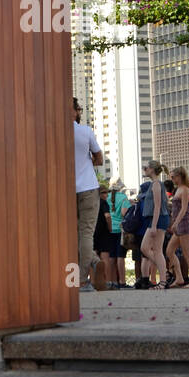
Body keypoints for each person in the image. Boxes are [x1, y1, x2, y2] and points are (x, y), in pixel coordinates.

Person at [72, 98, 107, 292]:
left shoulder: (53, 131)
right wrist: (86, 164)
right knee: (86, 233)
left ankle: (92, 261)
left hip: (66, 189)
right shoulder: (85, 132)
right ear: (75, 111)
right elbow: (99, 158)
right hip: (88, 187)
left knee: (74, 234)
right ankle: (83, 280)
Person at [167, 167, 189, 289]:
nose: (172, 179)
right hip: (179, 224)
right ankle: (179, 277)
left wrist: (176, 222)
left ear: (180, 176)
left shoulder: (185, 190)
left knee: (187, 254)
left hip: (184, 224)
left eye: (173, 177)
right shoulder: (178, 189)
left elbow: (184, 208)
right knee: (169, 251)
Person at [139, 159, 169, 287]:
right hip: (157, 218)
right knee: (155, 250)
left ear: (152, 169)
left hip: (158, 218)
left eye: (146, 168)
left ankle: (164, 276)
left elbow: (158, 206)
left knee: (149, 249)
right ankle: (164, 276)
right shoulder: (154, 184)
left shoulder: (156, 184)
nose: (145, 170)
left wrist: (154, 226)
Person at [107, 179, 131, 288]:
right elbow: (124, 213)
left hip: (109, 229)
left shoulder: (106, 197)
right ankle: (122, 281)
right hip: (120, 230)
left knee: (111, 257)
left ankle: (112, 281)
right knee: (120, 256)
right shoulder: (123, 198)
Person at [94, 184, 116, 287]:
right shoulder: (104, 203)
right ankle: (107, 281)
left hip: (93, 231)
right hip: (103, 231)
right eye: (104, 192)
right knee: (105, 256)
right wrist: (110, 227)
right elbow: (107, 216)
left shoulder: (93, 203)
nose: (106, 195)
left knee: (93, 256)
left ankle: (94, 281)